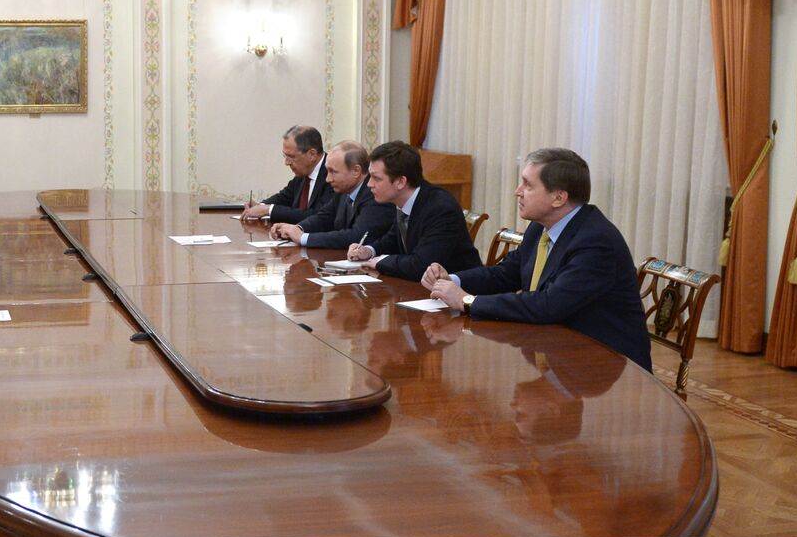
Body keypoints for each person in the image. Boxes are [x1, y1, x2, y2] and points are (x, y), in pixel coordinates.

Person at [425, 147, 653, 371]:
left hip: (606, 365)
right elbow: (506, 274)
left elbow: (549, 305)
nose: (517, 191)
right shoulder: (540, 228)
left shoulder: (595, 242)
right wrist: (453, 281)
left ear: (559, 198)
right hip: (555, 350)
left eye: (528, 185)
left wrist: (468, 301)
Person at [345, 141, 481, 281]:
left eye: (376, 178)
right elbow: (392, 241)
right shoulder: (402, 201)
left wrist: (382, 261)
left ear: (401, 182)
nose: (369, 184)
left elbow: (421, 265)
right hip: (423, 289)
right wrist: (368, 251)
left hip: (460, 293)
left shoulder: (440, 208)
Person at [269, 141, 393, 248]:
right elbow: (323, 217)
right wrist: (296, 228)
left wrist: (303, 238)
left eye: (333, 172)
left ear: (356, 171)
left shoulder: (374, 193)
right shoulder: (344, 190)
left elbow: (357, 236)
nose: (328, 179)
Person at [243, 125, 333, 223]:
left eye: (291, 156)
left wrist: (269, 210)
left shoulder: (333, 175)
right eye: (285, 156)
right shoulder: (303, 173)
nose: (287, 163)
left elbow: (317, 216)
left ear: (312, 154)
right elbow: (284, 198)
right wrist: (260, 206)